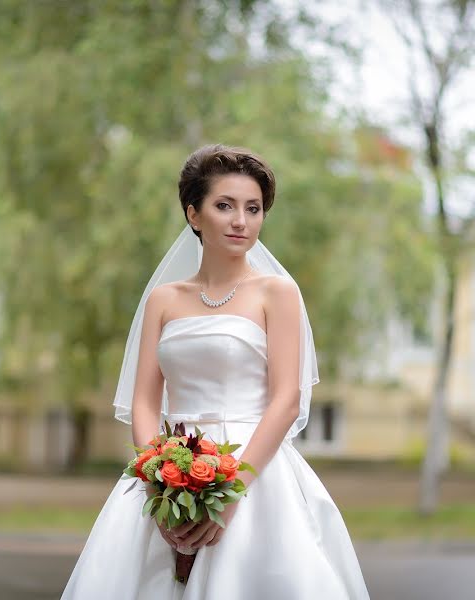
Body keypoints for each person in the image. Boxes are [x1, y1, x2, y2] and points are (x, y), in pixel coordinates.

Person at [60, 144, 371, 599]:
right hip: (170, 468)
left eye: (254, 208)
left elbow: (286, 400)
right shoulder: (163, 300)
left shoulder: (277, 293)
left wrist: (230, 497)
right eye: (224, 206)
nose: (241, 221)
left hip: (254, 472)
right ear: (194, 214)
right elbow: (145, 402)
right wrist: (158, 484)